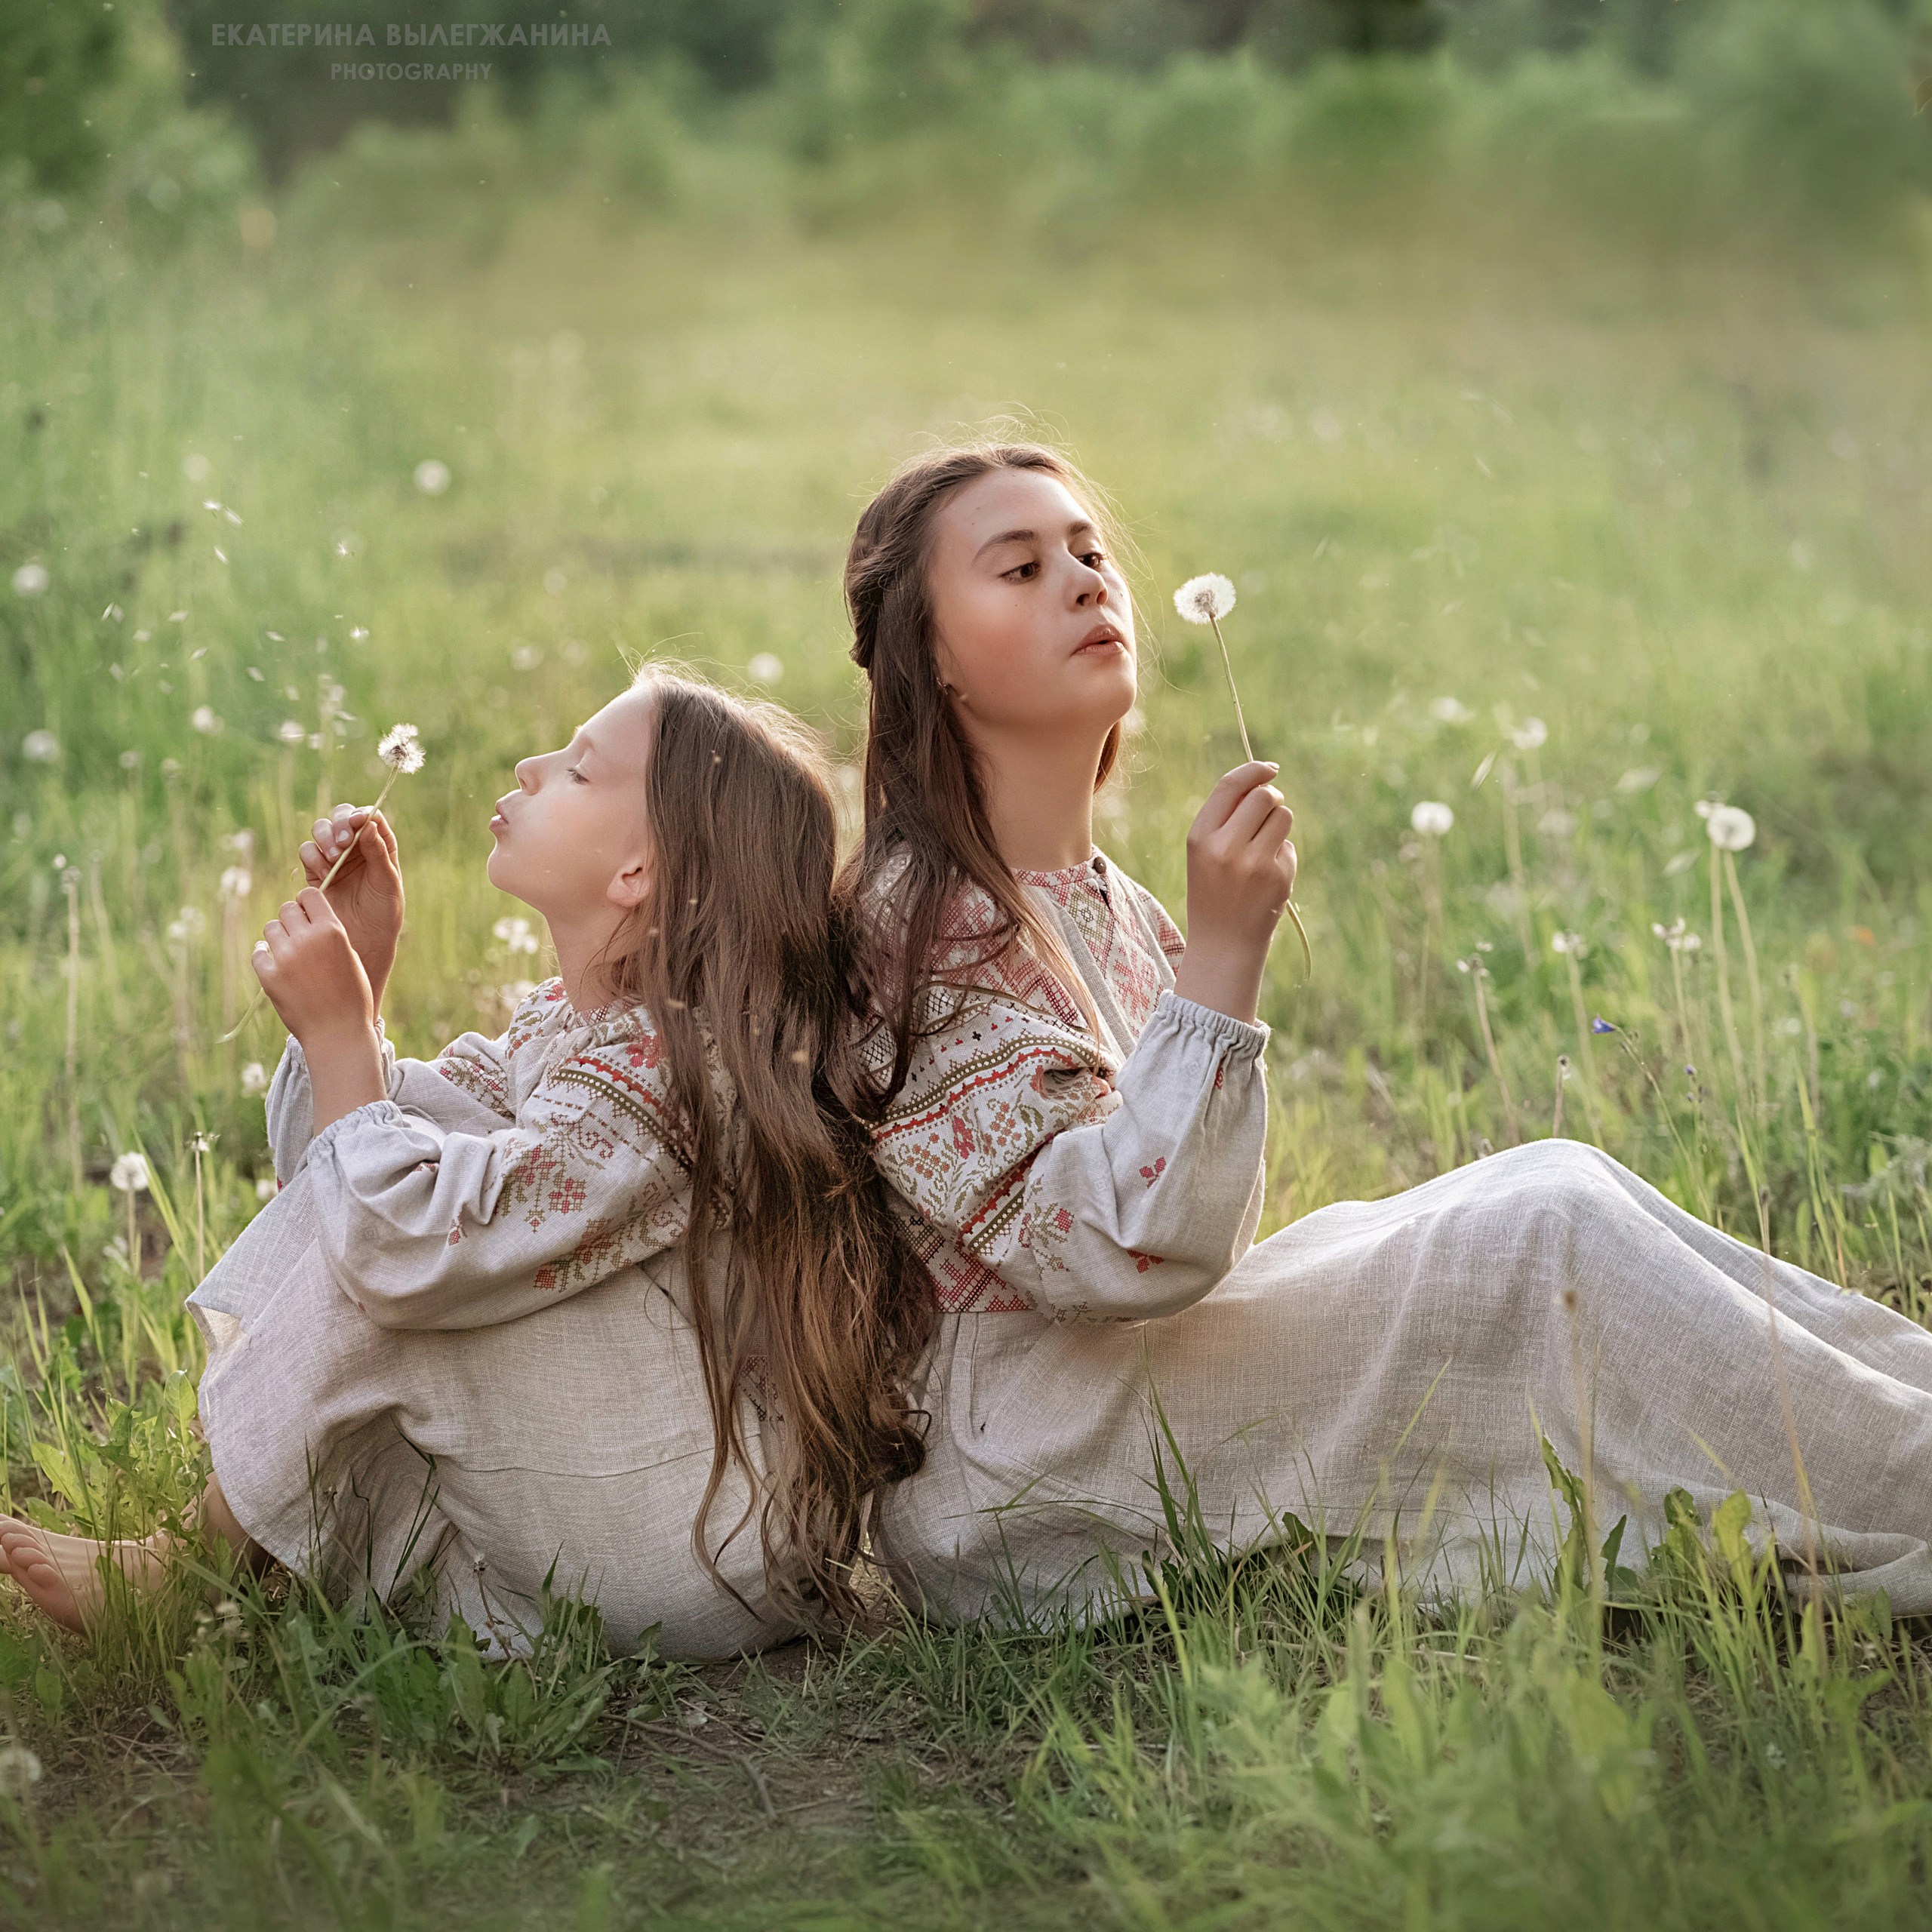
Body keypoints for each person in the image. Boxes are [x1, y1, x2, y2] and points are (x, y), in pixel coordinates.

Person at [839, 436, 1932, 1629]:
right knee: (1534, 1240)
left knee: (1551, 1181)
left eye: (1090, 552)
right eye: (1020, 568)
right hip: (1026, 1481)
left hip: (1109, 1383)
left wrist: (1206, 955)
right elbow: (1125, 1255)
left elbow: (1198, 1241)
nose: (1088, 581)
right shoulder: (915, 925)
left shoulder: (1109, 905)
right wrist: (1224, 962)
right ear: (929, 659)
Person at [0, 669, 932, 1654]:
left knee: (420, 1260)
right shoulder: (581, 1031)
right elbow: (335, 1180)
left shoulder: (669, 1076)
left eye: (576, 770)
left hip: (713, 1537)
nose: (530, 769)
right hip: (677, 1512)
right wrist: (365, 976)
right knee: (416, 1213)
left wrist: (345, 1041)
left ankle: (194, 1564)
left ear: (637, 875)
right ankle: (277, 1559)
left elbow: (399, 1239)